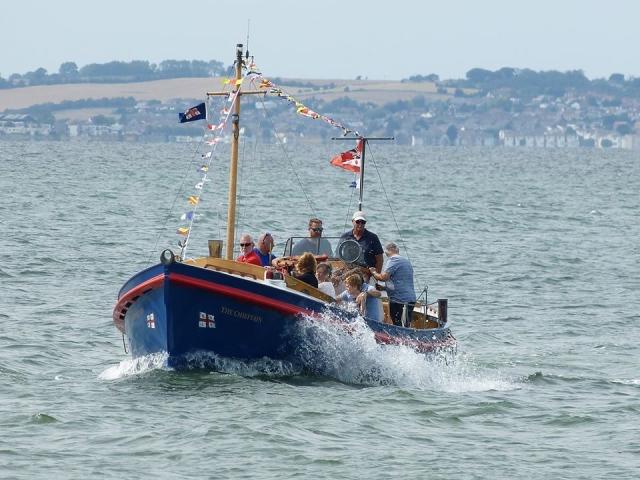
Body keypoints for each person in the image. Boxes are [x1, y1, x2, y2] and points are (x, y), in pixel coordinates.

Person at [370, 242, 416, 327]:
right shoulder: (406, 262)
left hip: (399, 299)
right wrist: (384, 288)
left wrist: (374, 272)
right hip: (411, 298)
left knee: (397, 323)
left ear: (388, 251)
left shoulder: (393, 260)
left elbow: (383, 277)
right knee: (406, 324)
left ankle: (400, 339)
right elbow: (401, 282)